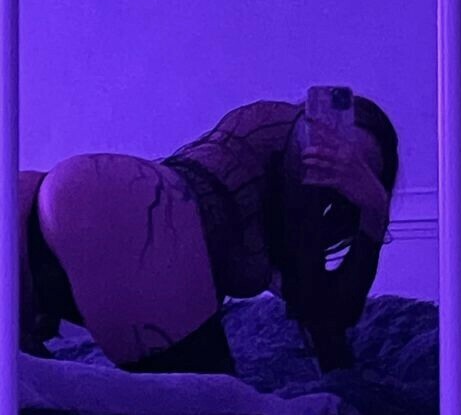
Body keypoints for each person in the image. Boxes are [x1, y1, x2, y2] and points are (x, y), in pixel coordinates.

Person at [19, 96, 398, 376]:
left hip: (33, 196)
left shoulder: (264, 199)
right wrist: (375, 211)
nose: (339, 169)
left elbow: (317, 318)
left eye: (356, 173)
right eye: (339, 157)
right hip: (130, 210)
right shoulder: (297, 148)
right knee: (218, 402)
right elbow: (328, 314)